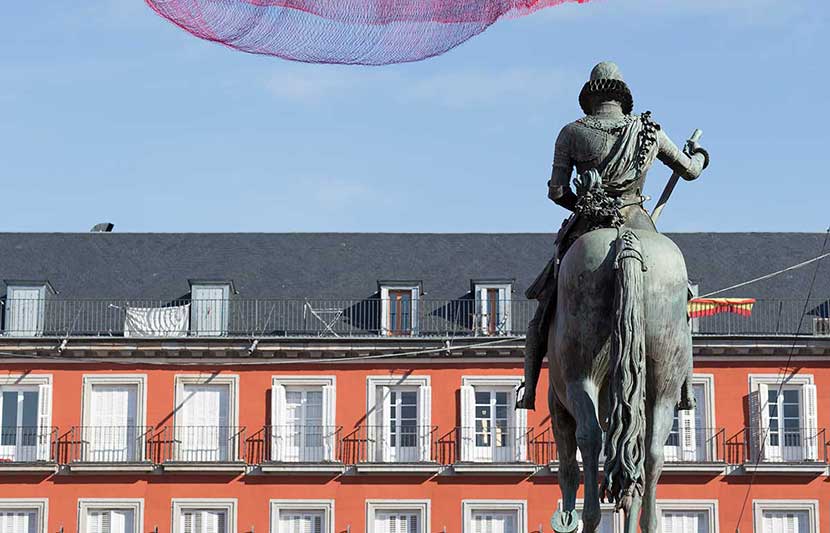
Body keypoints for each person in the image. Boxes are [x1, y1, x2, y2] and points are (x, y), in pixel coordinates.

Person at [515, 61, 709, 410]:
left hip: (588, 227)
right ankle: (685, 389)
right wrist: (698, 155)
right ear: (623, 97)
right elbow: (691, 171)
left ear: (589, 98)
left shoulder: (572, 132)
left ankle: (528, 389)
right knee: (680, 306)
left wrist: (584, 202)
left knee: (545, 307)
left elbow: (557, 192)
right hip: (639, 222)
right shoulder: (650, 130)